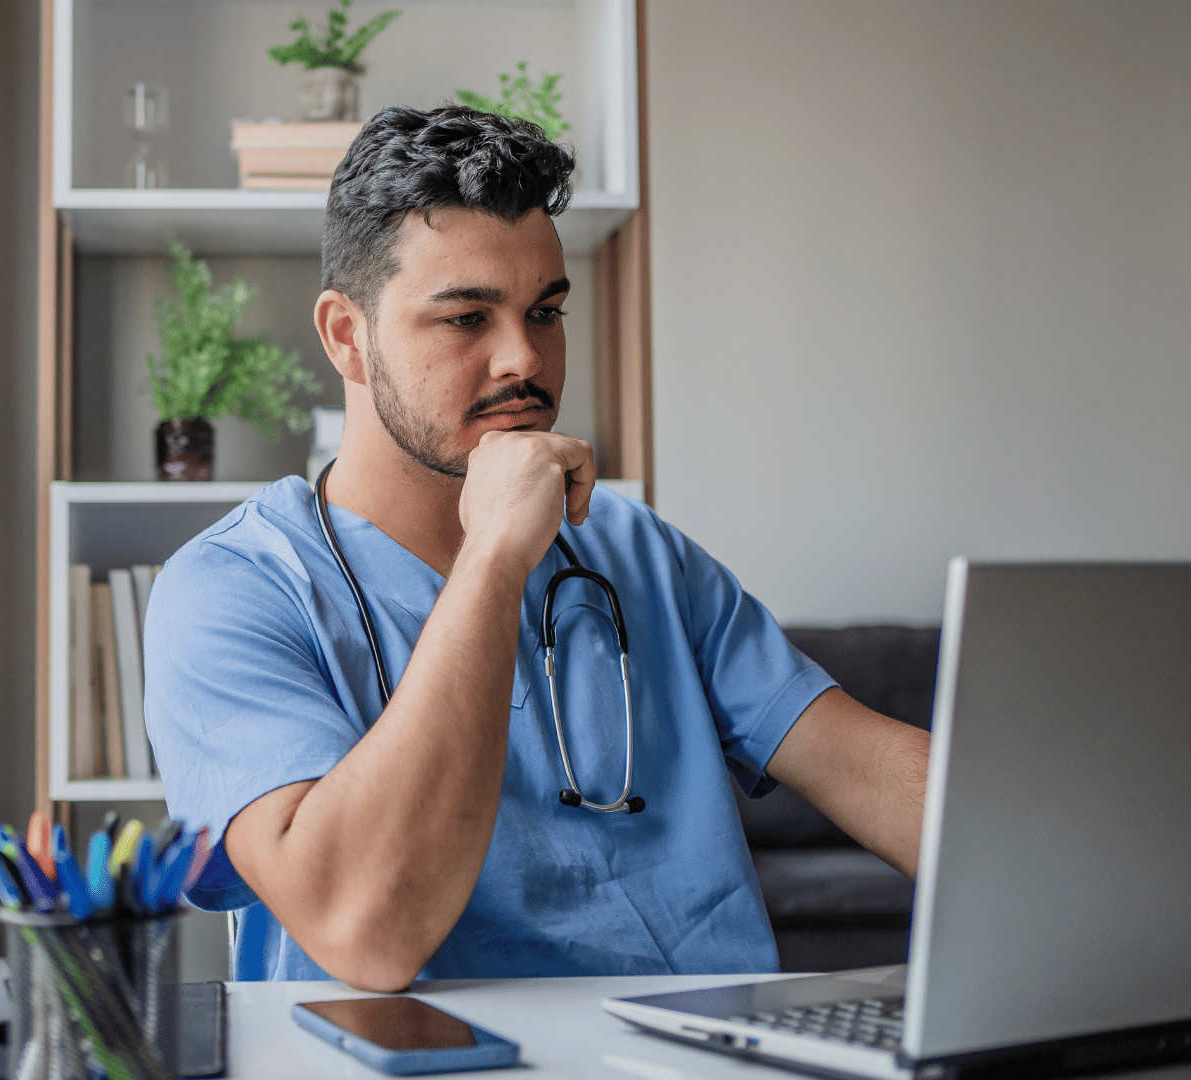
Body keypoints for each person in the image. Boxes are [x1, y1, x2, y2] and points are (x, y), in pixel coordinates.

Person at [145, 105, 928, 992]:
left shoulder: (634, 549)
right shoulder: (228, 591)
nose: (524, 358)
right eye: (467, 318)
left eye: (545, 311)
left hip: (699, 1056)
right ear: (345, 337)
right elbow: (363, 929)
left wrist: (1061, 848)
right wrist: (493, 560)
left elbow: (863, 766)